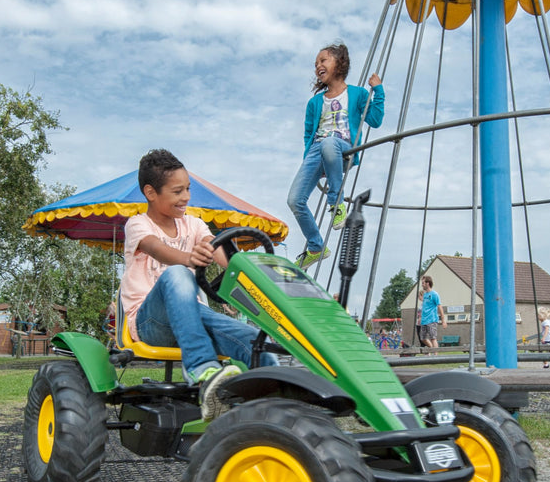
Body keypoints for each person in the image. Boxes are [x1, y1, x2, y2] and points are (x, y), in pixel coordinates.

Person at [120, 149, 276, 420]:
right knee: (178, 273)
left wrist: (255, 270)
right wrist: (189, 258)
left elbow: (219, 253)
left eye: (188, 189)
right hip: (150, 323)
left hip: (192, 318)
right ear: (150, 192)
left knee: (252, 340)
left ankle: (274, 399)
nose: (187, 197)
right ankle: (203, 371)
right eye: (178, 191)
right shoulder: (137, 225)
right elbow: (157, 249)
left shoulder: (193, 224)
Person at [286, 43, 385, 268]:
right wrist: (309, 163)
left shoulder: (357, 94)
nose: (318, 66)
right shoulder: (315, 102)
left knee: (330, 142)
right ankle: (315, 246)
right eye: (316, 64)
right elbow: (308, 133)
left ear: (339, 63)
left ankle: (336, 203)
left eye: (323, 61)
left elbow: (375, 120)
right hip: (316, 152)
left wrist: (377, 89)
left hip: (341, 149)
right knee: (294, 200)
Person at [416, 276, 441, 350]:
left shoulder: (434, 294)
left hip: (432, 320)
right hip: (424, 321)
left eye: (423, 283)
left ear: (428, 283)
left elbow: (439, 306)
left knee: (433, 338)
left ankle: (436, 356)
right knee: (422, 338)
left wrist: (443, 319)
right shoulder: (425, 295)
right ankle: (432, 348)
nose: (422, 285)